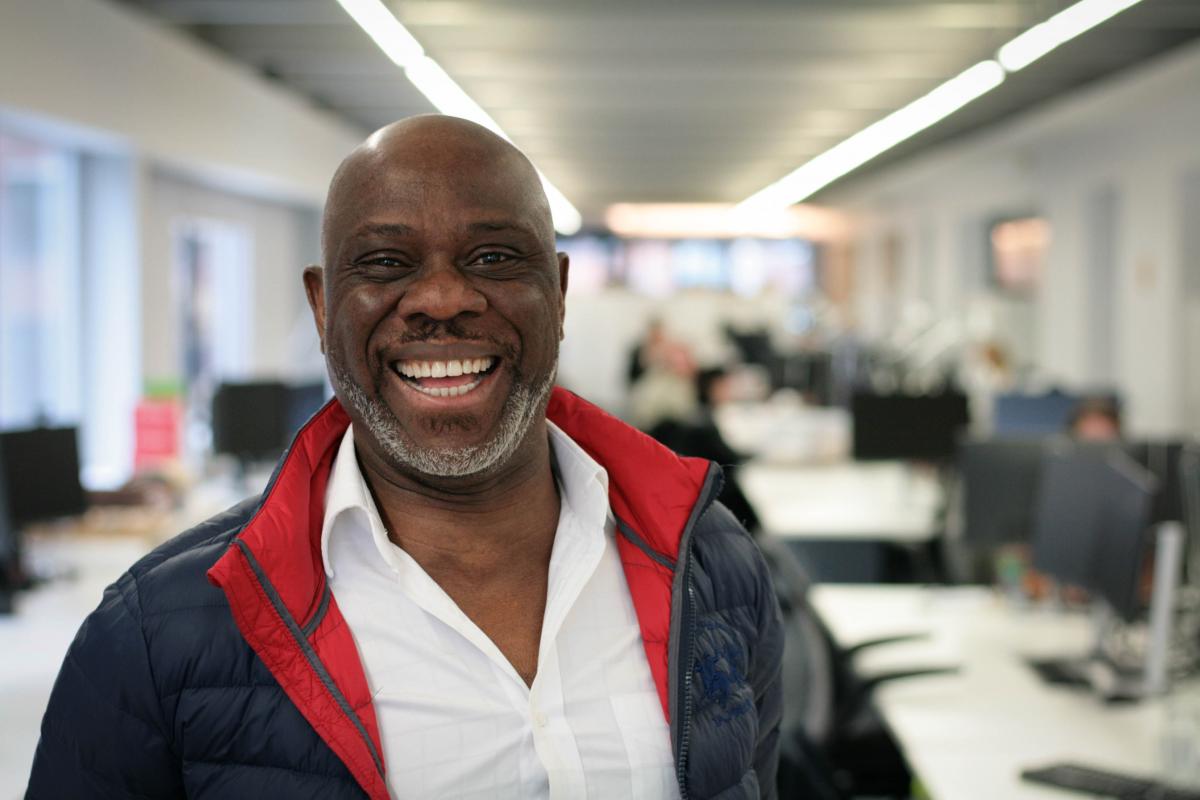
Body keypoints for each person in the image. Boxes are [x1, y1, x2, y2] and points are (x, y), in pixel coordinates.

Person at [27, 116, 783, 800]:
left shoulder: (715, 568)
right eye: (386, 263)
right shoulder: (154, 638)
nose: (444, 298)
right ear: (324, 307)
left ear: (556, 293)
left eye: (492, 257)